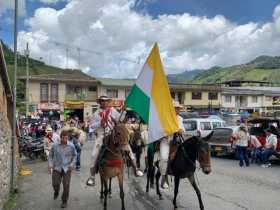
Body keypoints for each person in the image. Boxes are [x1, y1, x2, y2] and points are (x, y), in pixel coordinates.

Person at [86, 96, 143, 186]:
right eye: (102, 101)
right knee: (94, 154)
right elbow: (91, 127)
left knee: (127, 146)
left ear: (108, 102)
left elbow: (120, 120)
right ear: (99, 103)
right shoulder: (96, 114)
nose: (104, 103)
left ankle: (135, 168)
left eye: (106, 101)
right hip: (102, 136)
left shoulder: (112, 110)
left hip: (114, 134)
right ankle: (92, 176)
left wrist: (123, 111)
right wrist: (100, 123)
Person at [159, 100, 185, 189]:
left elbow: (182, 130)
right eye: (176, 108)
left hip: (177, 142)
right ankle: (163, 177)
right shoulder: (165, 118)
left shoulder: (180, 119)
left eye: (178, 108)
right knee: (164, 158)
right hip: (166, 142)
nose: (178, 110)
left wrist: (180, 131)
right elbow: (162, 131)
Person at [48, 130, 77, 208]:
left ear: (68, 138)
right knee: (55, 184)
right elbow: (50, 155)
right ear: (60, 138)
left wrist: (72, 164)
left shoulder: (71, 146)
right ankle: (56, 191)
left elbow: (75, 156)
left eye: (66, 138)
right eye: (63, 138)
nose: (64, 140)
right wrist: (50, 164)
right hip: (57, 167)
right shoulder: (55, 145)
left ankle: (64, 201)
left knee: (66, 185)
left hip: (67, 168)